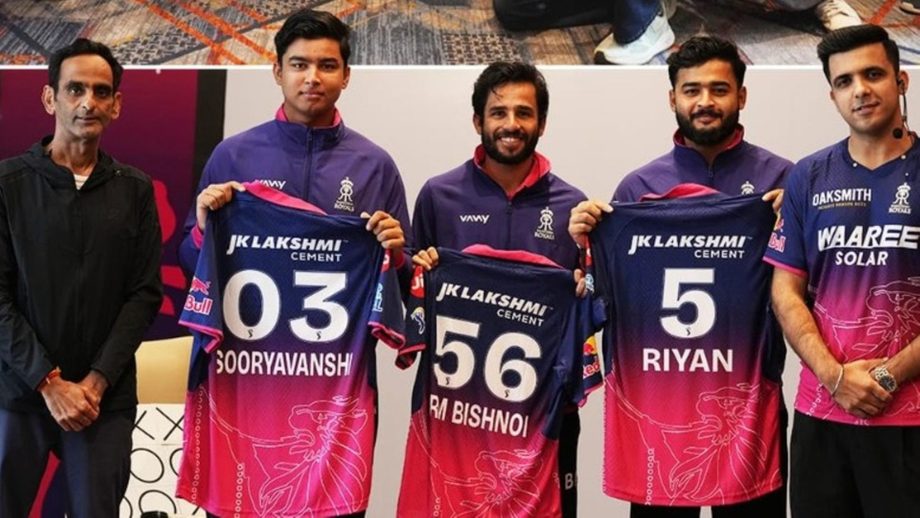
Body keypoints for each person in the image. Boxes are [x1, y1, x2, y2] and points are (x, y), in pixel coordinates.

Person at [569, 35, 790, 517]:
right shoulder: (636, 187)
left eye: (719, 89)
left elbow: (812, 292)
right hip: (658, 411)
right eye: (692, 90)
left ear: (742, 95)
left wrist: (792, 231)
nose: (705, 102)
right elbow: (606, 299)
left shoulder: (784, 181)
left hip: (749, 408)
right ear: (672, 98)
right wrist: (584, 245)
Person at [411, 62, 588, 517]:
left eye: (524, 113)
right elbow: (410, 297)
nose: (511, 124)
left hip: (545, 413)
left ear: (542, 123)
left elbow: (592, 305)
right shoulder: (438, 196)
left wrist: (584, 288)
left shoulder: (573, 207)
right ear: (478, 121)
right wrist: (419, 272)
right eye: (498, 112)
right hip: (457, 412)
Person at [0, 38, 163, 516]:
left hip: (101, 401)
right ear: (50, 98)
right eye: (75, 89)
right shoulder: (8, 185)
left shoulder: (135, 190)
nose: (88, 102)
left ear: (116, 104)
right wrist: (48, 382)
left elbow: (143, 295)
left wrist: (94, 383)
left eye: (100, 91)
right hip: (18, 392)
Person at [765, 24, 920, 517]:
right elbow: (786, 291)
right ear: (832, 96)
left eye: (873, 74)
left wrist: (888, 376)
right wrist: (834, 377)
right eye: (844, 81)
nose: (860, 90)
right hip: (822, 415)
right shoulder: (808, 176)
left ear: (901, 80)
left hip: (911, 421)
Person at [178, 8, 409, 278]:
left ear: (346, 75)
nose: (313, 78)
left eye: (327, 66)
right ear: (278, 72)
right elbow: (189, 264)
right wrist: (202, 232)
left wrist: (396, 257)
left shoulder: (376, 165)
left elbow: (407, 280)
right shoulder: (232, 154)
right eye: (299, 65)